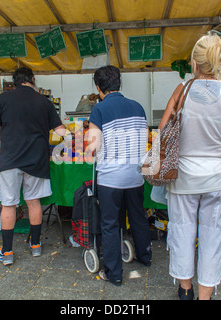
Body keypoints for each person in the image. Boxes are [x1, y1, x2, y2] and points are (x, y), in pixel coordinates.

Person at [159, 33, 221, 300]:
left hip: (182, 177)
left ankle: (185, 289)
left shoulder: (182, 91)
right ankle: (205, 295)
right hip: (220, 178)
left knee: (181, 230)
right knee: (214, 235)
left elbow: (163, 131)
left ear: (195, 64)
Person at [0, 67, 66, 266]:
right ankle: (36, 246)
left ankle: (7, 252)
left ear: (14, 81)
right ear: (32, 79)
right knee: (34, 202)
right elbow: (60, 130)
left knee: (9, 204)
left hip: (10, 158)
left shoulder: (3, 99)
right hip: (36, 159)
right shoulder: (44, 101)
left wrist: (9, 134)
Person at [87, 65, 152, 286]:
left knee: (110, 224)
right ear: (119, 83)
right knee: (138, 217)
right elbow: (144, 140)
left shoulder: (99, 110)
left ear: (98, 87)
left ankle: (113, 273)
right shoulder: (138, 107)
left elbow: (93, 146)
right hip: (135, 176)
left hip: (110, 180)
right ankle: (145, 256)